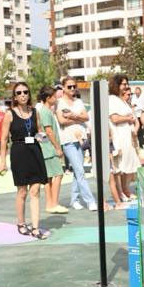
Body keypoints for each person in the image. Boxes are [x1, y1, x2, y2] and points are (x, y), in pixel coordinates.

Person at [0, 82, 50, 239]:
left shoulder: (35, 112)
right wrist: (2, 161)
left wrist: (42, 137)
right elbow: (4, 139)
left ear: (29, 94)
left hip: (34, 151)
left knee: (36, 190)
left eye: (25, 92)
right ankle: (21, 223)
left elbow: (39, 131)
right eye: (19, 92)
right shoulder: (9, 114)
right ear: (14, 96)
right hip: (19, 152)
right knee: (22, 191)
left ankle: (35, 228)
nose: (22, 95)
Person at [56, 77, 97, 211]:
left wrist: (73, 116)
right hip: (68, 141)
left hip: (81, 139)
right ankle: (90, 200)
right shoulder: (59, 103)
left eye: (74, 86)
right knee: (80, 171)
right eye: (69, 87)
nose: (73, 89)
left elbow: (86, 117)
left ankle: (74, 199)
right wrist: (77, 118)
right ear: (63, 88)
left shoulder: (78, 101)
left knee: (77, 172)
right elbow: (62, 121)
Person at [108, 74, 140, 203]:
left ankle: (126, 190)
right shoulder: (112, 100)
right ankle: (120, 192)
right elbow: (114, 118)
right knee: (119, 168)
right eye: (123, 84)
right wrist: (128, 118)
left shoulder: (123, 101)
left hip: (128, 137)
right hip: (118, 137)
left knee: (127, 166)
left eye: (127, 84)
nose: (126, 86)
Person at [36, 85, 68, 214]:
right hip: (50, 150)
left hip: (46, 149)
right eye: (54, 96)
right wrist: (57, 148)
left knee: (49, 178)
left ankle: (50, 204)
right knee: (58, 174)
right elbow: (49, 131)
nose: (56, 98)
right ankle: (54, 203)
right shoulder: (45, 112)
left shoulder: (44, 111)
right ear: (48, 98)